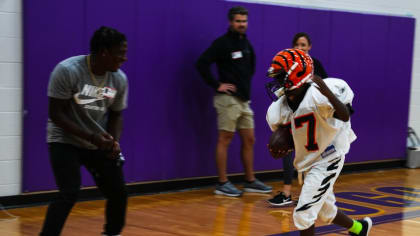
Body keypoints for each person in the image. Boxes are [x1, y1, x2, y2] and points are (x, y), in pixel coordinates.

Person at [265, 48, 372, 236]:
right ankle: (359, 229)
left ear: (296, 74)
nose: (277, 82)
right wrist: (281, 146)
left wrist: (326, 91)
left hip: (329, 156)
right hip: (309, 160)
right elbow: (288, 138)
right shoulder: (278, 110)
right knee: (325, 210)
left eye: (281, 76)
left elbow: (345, 116)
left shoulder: (319, 94)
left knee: (303, 213)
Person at [40, 26, 129, 236]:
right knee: (68, 192)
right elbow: (56, 114)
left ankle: (112, 233)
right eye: (121, 53)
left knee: (118, 192)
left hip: (96, 141)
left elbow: (116, 114)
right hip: (64, 139)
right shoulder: (68, 70)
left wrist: (113, 142)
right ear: (104, 52)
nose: (124, 58)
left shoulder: (119, 79)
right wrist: (92, 137)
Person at [196, 6, 272, 197]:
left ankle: (250, 181)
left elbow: (251, 68)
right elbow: (201, 63)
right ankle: (222, 183)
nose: (242, 24)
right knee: (225, 139)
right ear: (231, 22)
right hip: (227, 100)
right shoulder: (222, 43)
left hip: (244, 101)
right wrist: (217, 84)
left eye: (244, 21)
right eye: (238, 21)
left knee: (250, 139)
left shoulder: (246, 44)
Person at [268, 32, 329, 206]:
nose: (300, 47)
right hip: (295, 115)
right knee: (285, 147)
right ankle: (287, 192)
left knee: (311, 155)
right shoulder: (288, 65)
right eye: (297, 44)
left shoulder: (315, 65)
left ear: (309, 47)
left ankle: (308, 193)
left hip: (312, 117)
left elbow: (325, 88)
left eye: (303, 45)